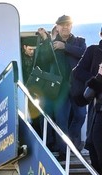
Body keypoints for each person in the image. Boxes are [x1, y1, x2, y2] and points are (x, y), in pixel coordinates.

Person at [32, 15, 86, 151]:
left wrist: (65, 47)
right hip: (59, 89)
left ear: (72, 26)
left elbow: (84, 54)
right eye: (62, 25)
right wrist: (47, 43)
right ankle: (63, 150)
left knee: (80, 115)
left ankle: (72, 141)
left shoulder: (79, 41)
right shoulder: (52, 43)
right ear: (57, 27)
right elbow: (42, 60)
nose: (65, 26)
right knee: (61, 120)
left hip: (77, 87)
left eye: (68, 24)